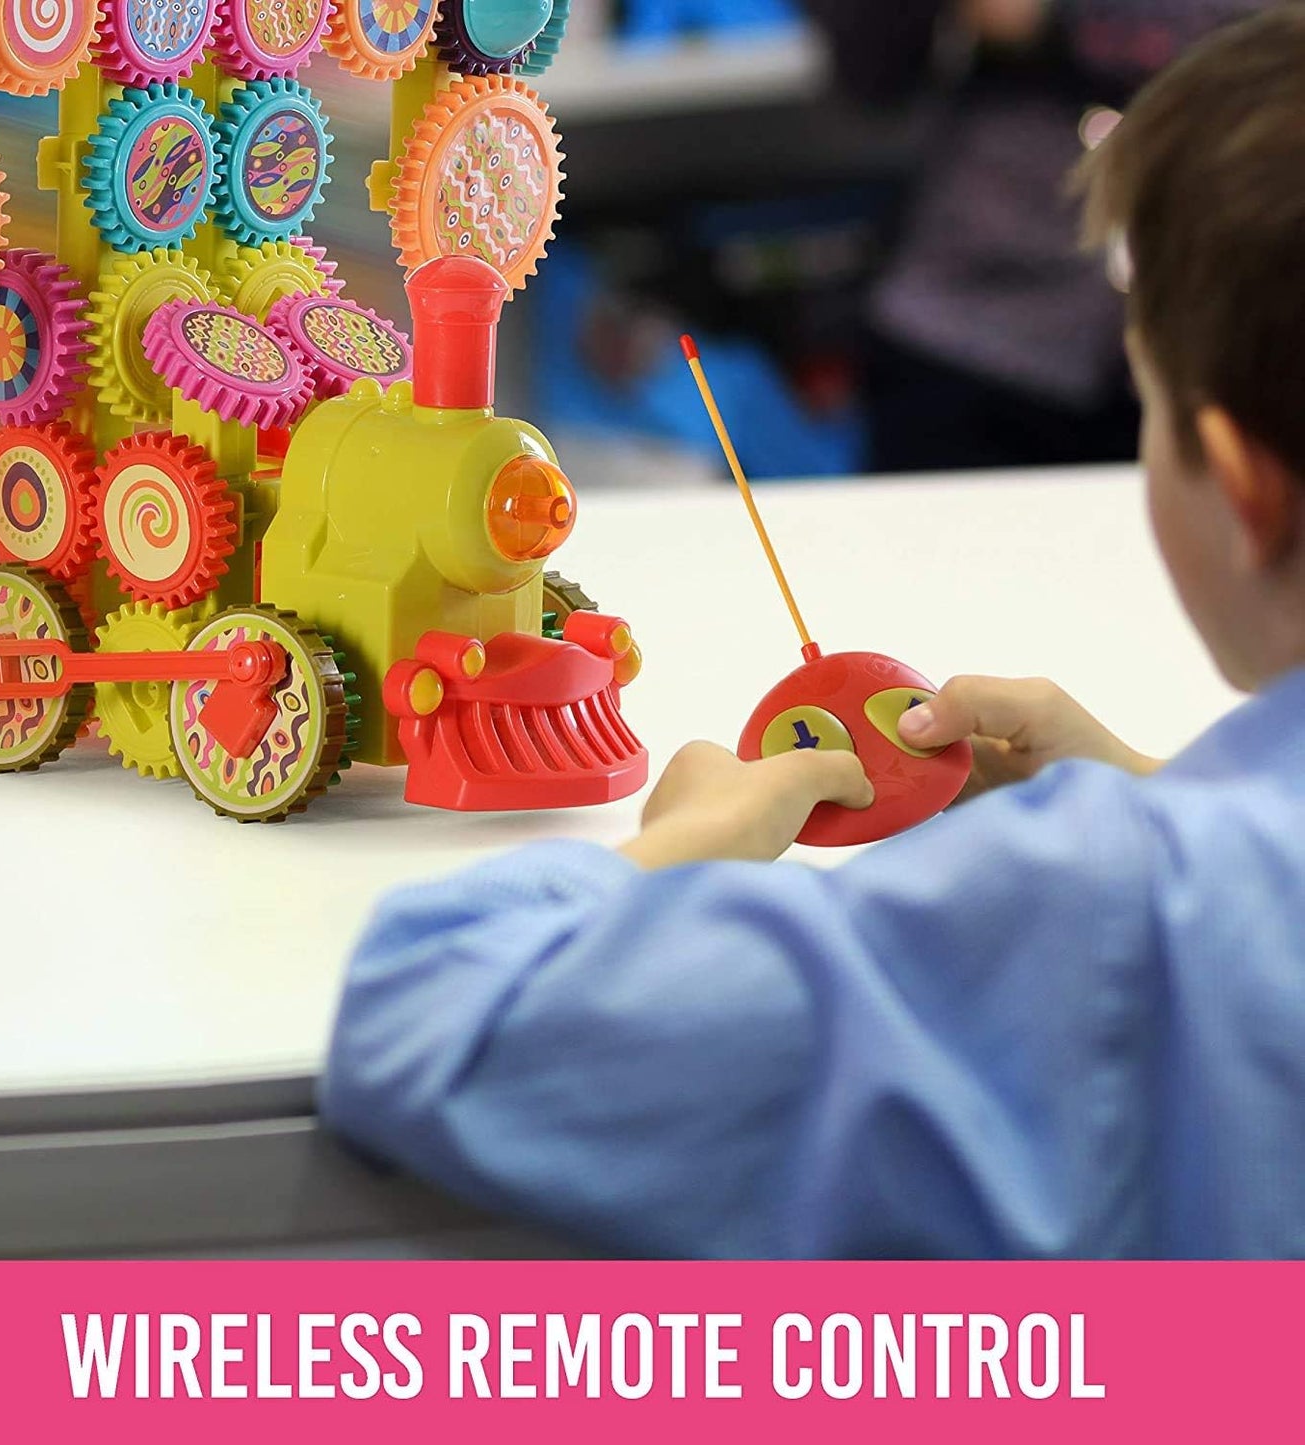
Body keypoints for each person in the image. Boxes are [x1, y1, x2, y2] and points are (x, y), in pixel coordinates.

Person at [318, 11, 1305, 1258]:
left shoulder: (1107, 911)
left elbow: (428, 1011)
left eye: (1147, 413)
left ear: (1241, 488)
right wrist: (1161, 788)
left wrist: (684, 848)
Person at [809, 0, 1265, 472]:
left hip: (1208, 327)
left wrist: (1052, 19)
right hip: (976, 319)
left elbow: (1259, 55)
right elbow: (869, 77)